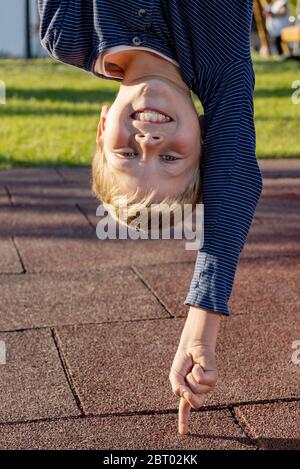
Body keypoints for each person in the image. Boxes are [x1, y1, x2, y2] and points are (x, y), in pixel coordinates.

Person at [38, 0, 263, 435]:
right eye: (171, 157)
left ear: (102, 130)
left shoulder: (65, 32)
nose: (149, 140)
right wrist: (202, 321)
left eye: (127, 154)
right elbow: (234, 175)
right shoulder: (222, 66)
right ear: (204, 135)